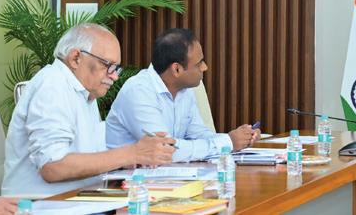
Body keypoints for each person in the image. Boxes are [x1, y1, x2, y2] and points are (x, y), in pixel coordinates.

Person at [2, 24, 175, 197]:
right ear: (76, 58)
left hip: (78, 199)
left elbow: (85, 158)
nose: (114, 76)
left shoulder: (84, 91)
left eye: (116, 68)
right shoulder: (52, 86)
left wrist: (127, 161)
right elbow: (53, 166)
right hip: (40, 205)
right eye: (108, 65)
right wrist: (132, 153)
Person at [106, 28, 260, 162]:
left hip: (163, 178)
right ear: (177, 69)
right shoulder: (139, 92)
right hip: (125, 182)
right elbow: (165, 150)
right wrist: (227, 142)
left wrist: (239, 138)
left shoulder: (184, 89)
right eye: (199, 63)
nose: (205, 67)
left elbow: (198, 134)